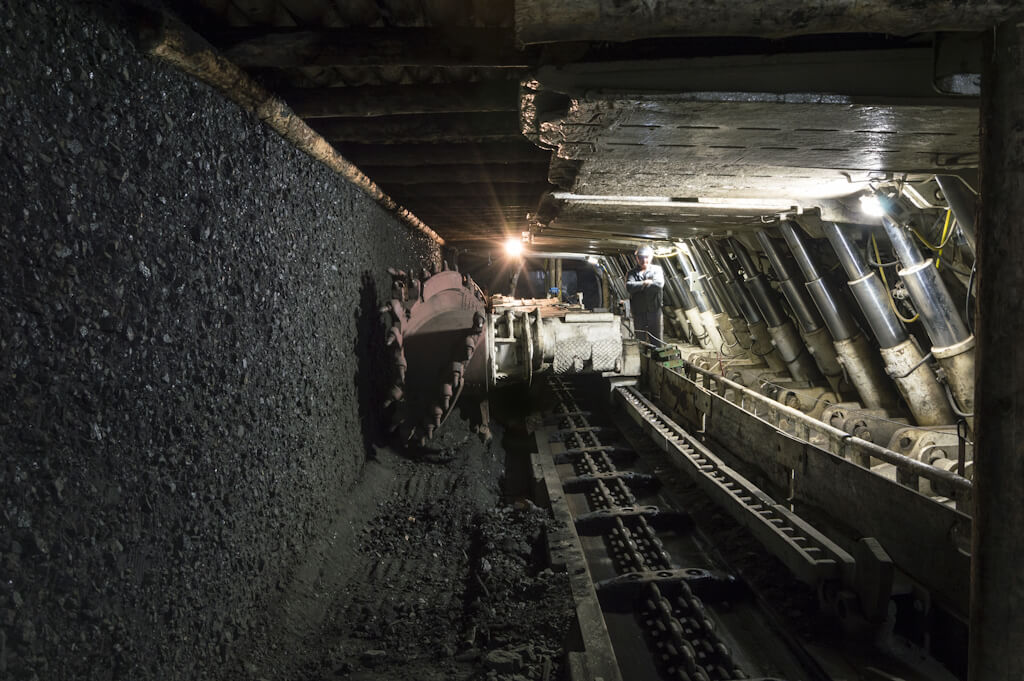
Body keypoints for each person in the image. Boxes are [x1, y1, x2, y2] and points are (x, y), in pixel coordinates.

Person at [625, 245, 665, 346]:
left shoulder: (657, 270)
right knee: (640, 341)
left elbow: (658, 285)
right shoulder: (631, 273)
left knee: (656, 340)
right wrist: (645, 283)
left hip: (654, 311)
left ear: (651, 257)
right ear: (637, 258)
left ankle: (657, 360)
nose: (644, 260)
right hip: (638, 312)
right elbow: (629, 286)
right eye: (641, 257)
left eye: (646, 257)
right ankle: (643, 360)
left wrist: (638, 287)